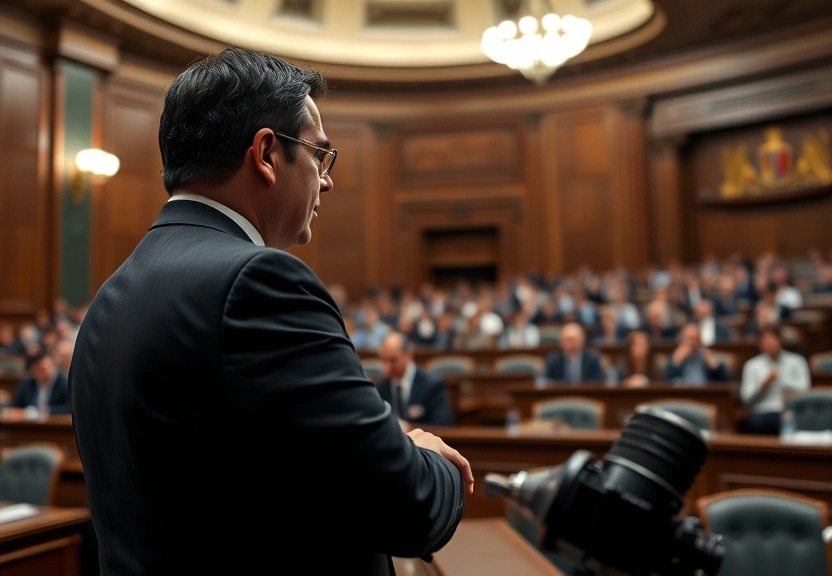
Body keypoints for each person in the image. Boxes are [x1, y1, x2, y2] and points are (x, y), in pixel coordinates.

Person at [69, 49, 471, 576]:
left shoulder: (107, 300)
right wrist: (425, 456)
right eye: (318, 156)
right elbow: (407, 505)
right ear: (265, 153)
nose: (325, 181)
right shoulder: (257, 283)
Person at [740, 325, 810, 435]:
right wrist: (764, 385)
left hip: (790, 410)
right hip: (762, 411)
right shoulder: (751, 365)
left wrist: (782, 380)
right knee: (758, 422)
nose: (769, 344)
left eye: (771, 339)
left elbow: (805, 389)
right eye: (765, 340)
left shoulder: (797, 361)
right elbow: (746, 398)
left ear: (780, 340)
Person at [376, 332, 454, 427]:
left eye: (393, 361)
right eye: (383, 360)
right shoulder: (379, 389)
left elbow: (443, 425)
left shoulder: (432, 385)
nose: (386, 368)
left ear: (409, 355)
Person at [8, 348, 71, 416]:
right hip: (29, 424)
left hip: (56, 424)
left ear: (52, 364)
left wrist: (44, 411)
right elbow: (14, 407)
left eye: (43, 369)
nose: (39, 373)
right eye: (36, 369)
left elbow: (70, 408)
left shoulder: (65, 383)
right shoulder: (27, 383)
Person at [662, 324, 732, 384]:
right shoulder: (675, 357)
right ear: (682, 339)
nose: (691, 342)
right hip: (682, 396)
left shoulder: (708, 356)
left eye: (694, 338)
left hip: (705, 395)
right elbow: (664, 383)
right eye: (688, 338)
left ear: (700, 340)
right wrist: (676, 362)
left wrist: (716, 367)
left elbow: (728, 381)